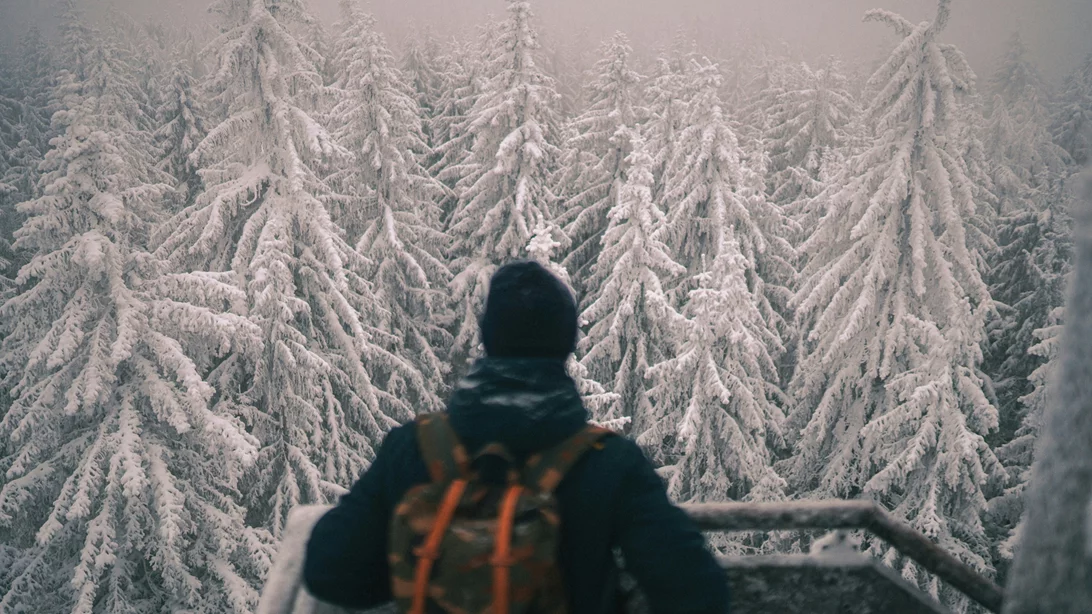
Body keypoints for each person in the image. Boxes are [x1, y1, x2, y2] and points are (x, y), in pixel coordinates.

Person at [303, 260, 730, 614]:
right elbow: (696, 592)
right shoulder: (610, 463)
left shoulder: (412, 448)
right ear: (567, 343)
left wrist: (434, 570)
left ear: (488, 339)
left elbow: (330, 573)